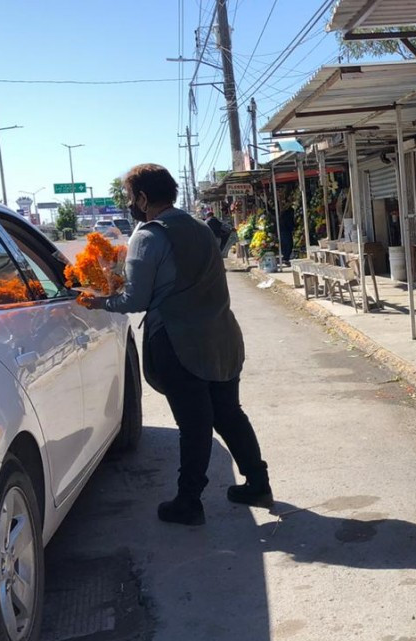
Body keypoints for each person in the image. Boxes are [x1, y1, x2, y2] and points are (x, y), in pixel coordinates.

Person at [81, 164, 272, 526]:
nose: (129, 205)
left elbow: (136, 300)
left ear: (142, 197)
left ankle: (188, 502)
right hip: (221, 337)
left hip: (180, 342)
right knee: (228, 413)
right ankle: (258, 481)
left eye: (130, 198)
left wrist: (99, 301)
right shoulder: (200, 227)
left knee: (194, 425)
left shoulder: (148, 235)